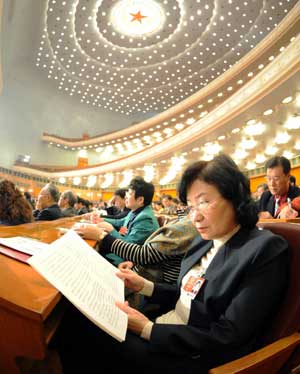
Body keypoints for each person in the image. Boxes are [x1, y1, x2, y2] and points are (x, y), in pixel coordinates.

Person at [55, 154, 288, 374]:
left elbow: (228, 335)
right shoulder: (204, 240)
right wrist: (144, 285)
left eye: (204, 202)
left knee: (79, 328)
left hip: (192, 356)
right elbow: (187, 294)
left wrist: (148, 329)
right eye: (191, 206)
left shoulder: (264, 249)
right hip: (166, 327)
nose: (195, 216)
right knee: (76, 316)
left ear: (235, 198)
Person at [74, 176, 159, 266]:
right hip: (121, 252)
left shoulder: (145, 218)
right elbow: (120, 222)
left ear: (140, 200)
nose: (126, 196)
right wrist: (101, 219)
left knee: (86, 256)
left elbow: (128, 246)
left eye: (129, 193)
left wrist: (111, 230)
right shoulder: (136, 210)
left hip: (126, 260)